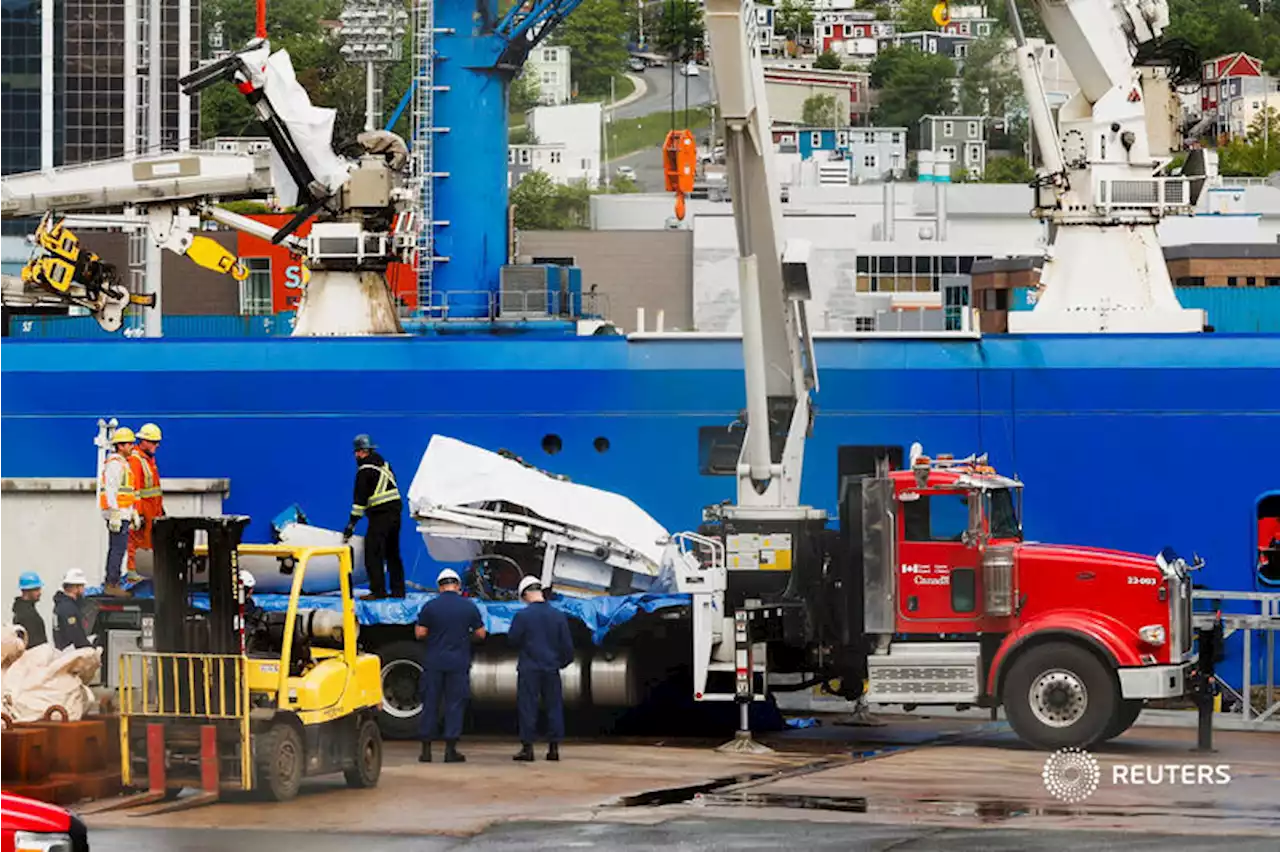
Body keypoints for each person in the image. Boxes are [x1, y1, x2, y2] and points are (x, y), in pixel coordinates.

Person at [415, 568, 486, 764]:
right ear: (458, 586)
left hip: (434, 661)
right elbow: (481, 634)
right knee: (454, 704)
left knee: (430, 703)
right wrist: (465, 638)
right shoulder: (469, 607)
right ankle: (450, 750)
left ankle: (426, 751)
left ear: (440, 587)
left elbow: (420, 633)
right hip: (458, 662)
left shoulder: (430, 607)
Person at [508, 576, 574, 762]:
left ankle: (527, 749)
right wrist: (560, 663)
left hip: (529, 668)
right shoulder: (558, 615)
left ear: (526, 594)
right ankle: (553, 749)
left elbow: (512, 640)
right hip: (551, 667)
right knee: (554, 706)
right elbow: (567, 647)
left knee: (528, 706)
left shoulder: (522, 616)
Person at [342, 434, 406, 600]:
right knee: (393, 553)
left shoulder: (364, 471)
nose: (356, 456)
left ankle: (378, 591)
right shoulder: (385, 465)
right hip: (395, 514)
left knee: (373, 552)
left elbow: (359, 502)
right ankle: (398, 591)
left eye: (357, 452)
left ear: (362, 452)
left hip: (380, 516)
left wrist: (351, 525)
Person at [100, 426, 137, 597]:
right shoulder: (115, 464)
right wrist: (114, 513)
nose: (132, 447)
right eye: (129, 444)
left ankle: (112, 581)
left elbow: (127, 492)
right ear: (120, 446)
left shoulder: (123, 464)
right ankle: (111, 584)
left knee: (119, 549)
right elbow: (111, 489)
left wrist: (132, 512)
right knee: (117, 549)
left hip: (122, 514)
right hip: (117, 515)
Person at [125, 422, 164, 582]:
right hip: (143, 511)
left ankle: (145, 572)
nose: (157, 445)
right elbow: (135, 490)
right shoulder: (136, 460)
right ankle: (134, 573)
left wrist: (160, 510)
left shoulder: (147, 459)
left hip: (152, 511)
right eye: (154, 442)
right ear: (144, 441)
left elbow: (153, 490)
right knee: (137, 542)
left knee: (149, 544)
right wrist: (137, 512)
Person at [52, 569, 91, 650]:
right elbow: (75, 636)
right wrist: (90, 649)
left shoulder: (62, 604)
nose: (84, 589)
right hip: (70, 654)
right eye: (82, 586)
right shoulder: (68, 608)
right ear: (76, 587)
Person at [12, 572, 48, 649]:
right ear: (26, 591)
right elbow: (35, 643)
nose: (40, 593)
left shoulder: (23, 609)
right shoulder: (27, 614)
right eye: (36, 589)